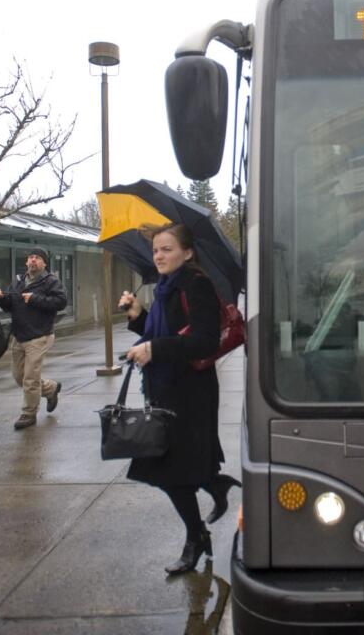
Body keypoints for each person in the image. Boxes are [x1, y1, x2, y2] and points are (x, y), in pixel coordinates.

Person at [119, 223, 241, 575]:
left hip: (191, 394)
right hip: (165, 390)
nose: (159, 255)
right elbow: (164, 332)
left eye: (167, 249)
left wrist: (153, 348)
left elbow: (203, 341)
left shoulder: (196, 284)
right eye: (156, 249)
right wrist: (138, 315)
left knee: (167, 471)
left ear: (187, 253)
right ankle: (213, 487)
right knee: (170, 468)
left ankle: (196, 536)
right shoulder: (165, 288)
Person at [0, 247, 68, 431]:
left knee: (30, 378)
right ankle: (50, 389)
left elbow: (61, 302)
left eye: (37, 258)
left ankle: (28, 413)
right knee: (19, 377)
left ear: (44, 263)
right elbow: (10, 305)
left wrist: (34, 298)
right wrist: (1, 297)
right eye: (31, 257)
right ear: (26, 262)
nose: (33, 260)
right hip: (19, 335)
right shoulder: (18, 282)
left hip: (40, 335)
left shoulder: (51, 281)